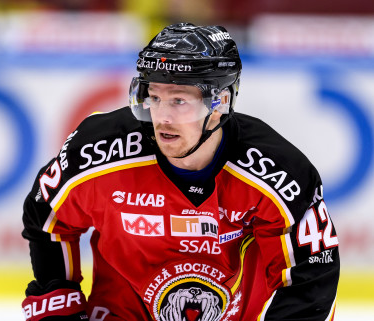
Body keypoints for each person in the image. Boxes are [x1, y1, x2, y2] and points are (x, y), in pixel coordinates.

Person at [21, 23, 340, 321]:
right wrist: (57, 306)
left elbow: (310, 278)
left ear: (219, 104)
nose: (163, 117)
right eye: (155, 97)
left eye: (179, 101)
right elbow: (46, 217)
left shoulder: (282, 176)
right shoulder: (96, 152)